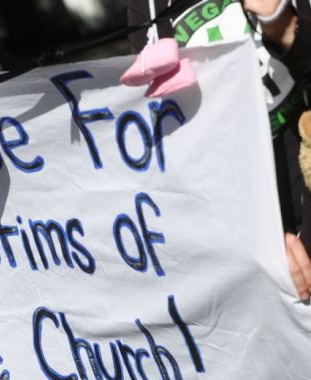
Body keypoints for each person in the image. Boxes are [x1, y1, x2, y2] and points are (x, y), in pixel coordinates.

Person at [127, 0, 311, 302]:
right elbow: (181, 155)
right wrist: (254, 243)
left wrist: (284, 27)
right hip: (253, 265)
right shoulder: (148, 9)